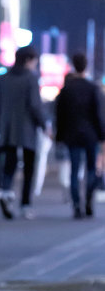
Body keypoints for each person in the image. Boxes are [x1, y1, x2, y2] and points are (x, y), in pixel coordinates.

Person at [0, 46, 47, 219]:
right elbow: (34, 105)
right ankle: (25, 204)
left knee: (9, 164)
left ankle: (6, 193)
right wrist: (44, 125)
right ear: (28, 60)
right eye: (34, 61)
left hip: (7, 129)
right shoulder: (31, 79)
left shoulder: (3, 78)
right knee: (29, 168)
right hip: (27, 130)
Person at [55, 52, 105, 218]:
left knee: (74, 170)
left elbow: (60, 115)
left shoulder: (66, 89)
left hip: (72, 134)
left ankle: (76, 205)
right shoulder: (93, 88)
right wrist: (102, 135)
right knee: (92, 169)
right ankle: (89, 200)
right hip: (91, 134)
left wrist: (59, 136)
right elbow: (99, 114)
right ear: (86, 66)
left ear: (73, 65)